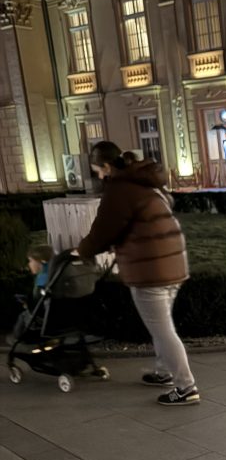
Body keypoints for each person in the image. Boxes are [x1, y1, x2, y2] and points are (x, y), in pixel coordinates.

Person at [77, 141, 199, 405]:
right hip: (173, 262)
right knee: (162, 324)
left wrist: (82, 251)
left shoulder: (119, 189)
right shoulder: (145, 183)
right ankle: (164, 372)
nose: (98, 176)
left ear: (106, 166)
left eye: (97, 170)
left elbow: (102, 231)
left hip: (150, 269)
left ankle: (186, 387)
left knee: (163, 329)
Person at [9, 244, 53, 342]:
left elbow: (37, 303)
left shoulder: (42, 279)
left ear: (42, 262)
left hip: (40, 322)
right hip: (57, 319)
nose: (29, 264)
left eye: (31, 261)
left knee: (21, 316)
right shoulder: (54, 275)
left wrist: (27, 303)